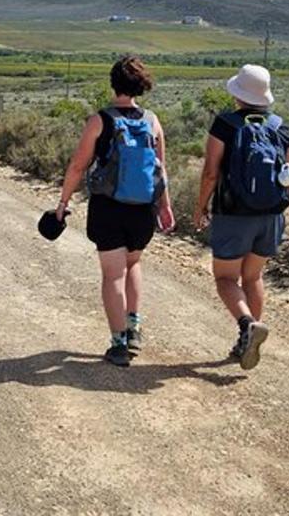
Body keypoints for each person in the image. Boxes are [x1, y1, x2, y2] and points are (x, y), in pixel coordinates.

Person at [55, 56, 175, 367]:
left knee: (112, 275)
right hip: (142, 209)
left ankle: (119, 343)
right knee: (133, 265)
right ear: (141, 85)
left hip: (108, 208)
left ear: (113, 82)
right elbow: (161, 169)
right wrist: (165, 206)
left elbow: (78, 166)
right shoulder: (152, 120)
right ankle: (134, 329)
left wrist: (63, 202)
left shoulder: (100, 120)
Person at [193, 64, 289, 371]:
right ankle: (248, 337)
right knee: (253, 277)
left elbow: (210, 173)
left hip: (234, 214)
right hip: (272, 215)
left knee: (224, 278)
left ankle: (248, 326)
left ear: (238, 94)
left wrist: (200, 206)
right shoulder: (279, 126)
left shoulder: (225, 124)